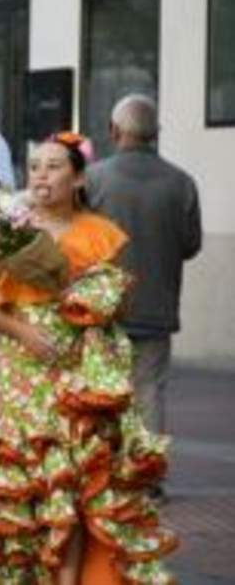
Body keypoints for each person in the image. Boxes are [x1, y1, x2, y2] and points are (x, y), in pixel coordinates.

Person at [0, 133, 177, 583]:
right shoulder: (9, 227)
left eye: (53, 166)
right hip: (18, 365)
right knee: (29, 471)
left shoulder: (102, 233)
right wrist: (23, 332)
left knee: (70, 474)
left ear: (79, 177)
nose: (42, 175)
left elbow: (119, 304)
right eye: (35, 167)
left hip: (79, 369)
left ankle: (67, 578)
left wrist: (94, 304)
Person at [87, 94, 202, 438]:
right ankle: (148, 479)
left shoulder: (93, 179)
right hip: (157, 308)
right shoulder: (182, 183)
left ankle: (107, 477)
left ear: (114, 130)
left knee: (103, 391)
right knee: (149, 390)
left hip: (104, 309)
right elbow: (191, 245)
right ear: (156, 132)